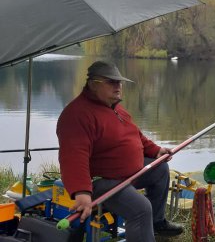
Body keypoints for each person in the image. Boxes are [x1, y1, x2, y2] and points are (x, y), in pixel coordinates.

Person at [57, 60, 183, 241]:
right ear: (93, 84)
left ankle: (156, 223)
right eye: (111, 82)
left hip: (127, 175)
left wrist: (156, 151)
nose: (118, 86)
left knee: (160, 169)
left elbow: (135, 136)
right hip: (100, 181)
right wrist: (82, 193)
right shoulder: (76, 115)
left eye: (119, 82)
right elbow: (73, 159)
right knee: (141, 208)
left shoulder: (115, 107)